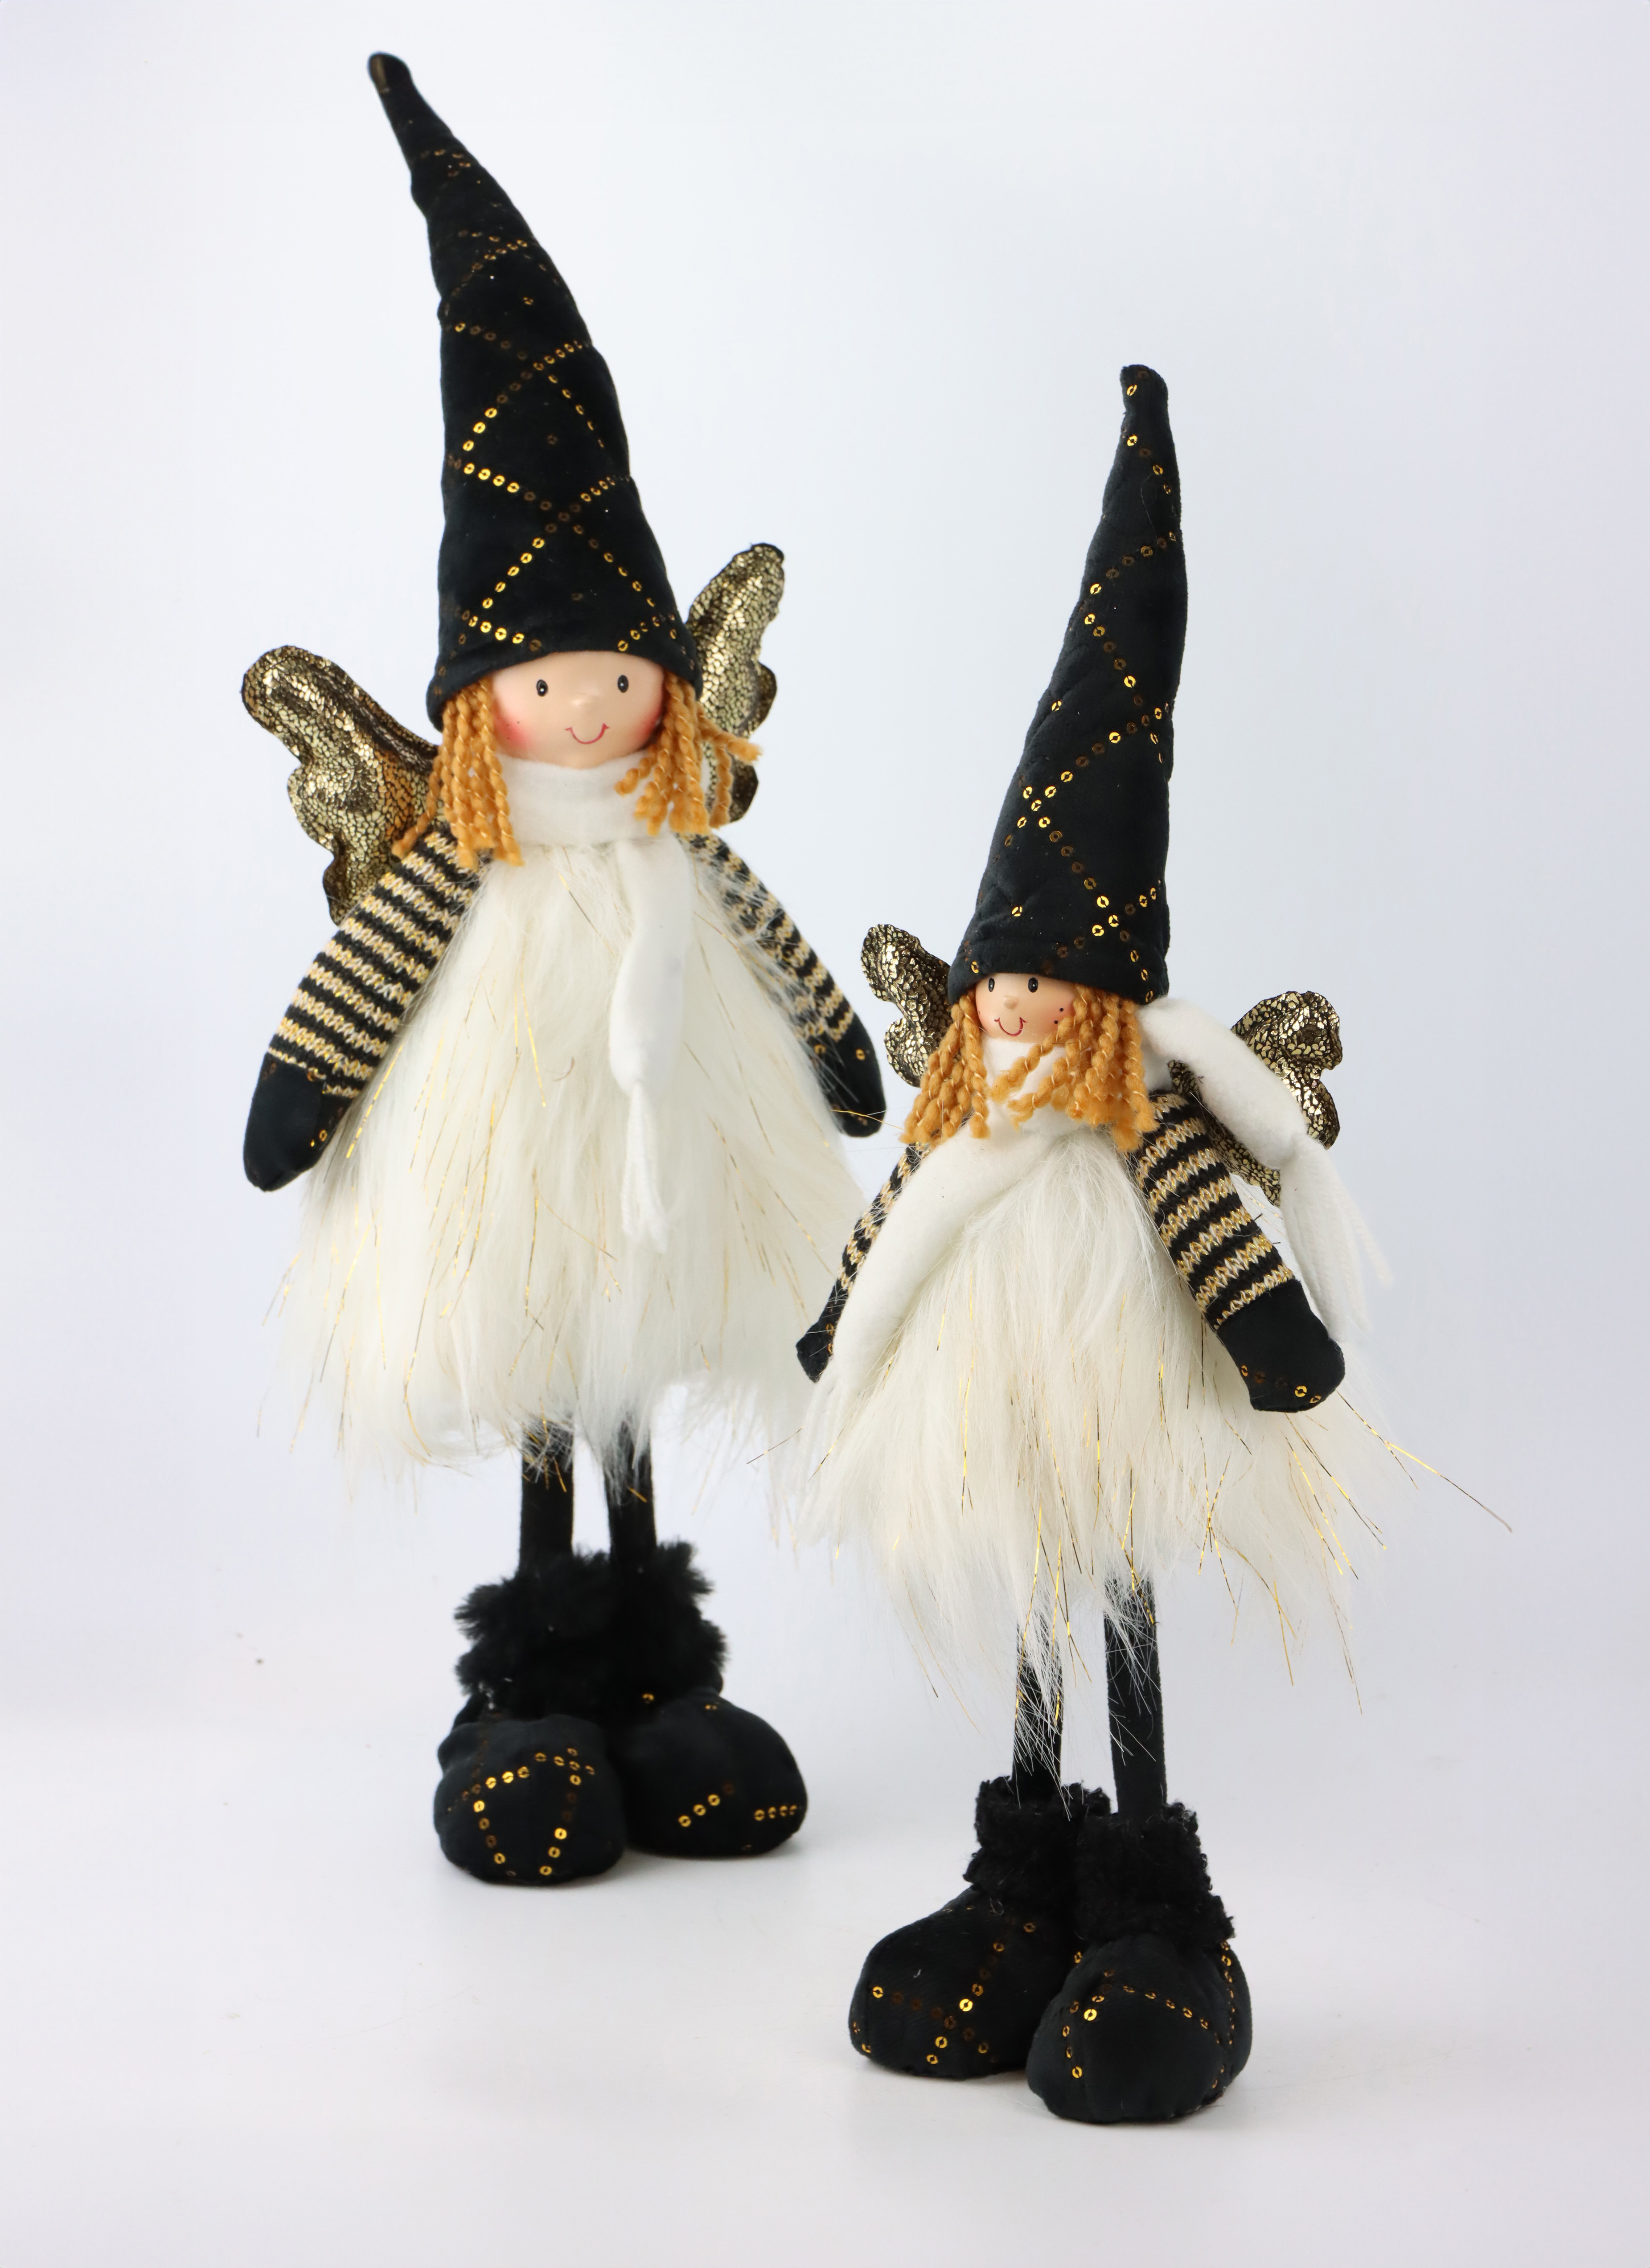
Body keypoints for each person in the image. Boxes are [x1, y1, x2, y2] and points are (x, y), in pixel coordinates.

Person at [244, 55, 884, 1887]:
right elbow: (367, 978)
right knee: (549, 1387)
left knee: (638, 1401)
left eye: (620, 671)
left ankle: (660, 1685)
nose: (595, 703)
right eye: (550, 677)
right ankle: (529, 1693)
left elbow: (782, 964)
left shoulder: (677, 842)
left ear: (665, 678)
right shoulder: (468, 853)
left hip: (671, 1176)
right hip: (518, 1170)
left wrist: (843, 1061)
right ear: (481, 700)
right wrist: (300, 1100)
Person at [796, 365, 1391, 2122]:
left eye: (1048, 981)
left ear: (1113, 995)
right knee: (1030, 1627)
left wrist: (1278, 1346)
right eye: (1002, 977)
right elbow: (896, 1226)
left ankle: (1148, 1908)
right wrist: (836, 1331)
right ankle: (1023, 1883)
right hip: (997, 1423)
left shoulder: (1146, 1130)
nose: (1016, 1005)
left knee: (1115, 1611)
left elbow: (1218, 1240)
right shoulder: (968, 1119)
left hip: (1118, 1419)